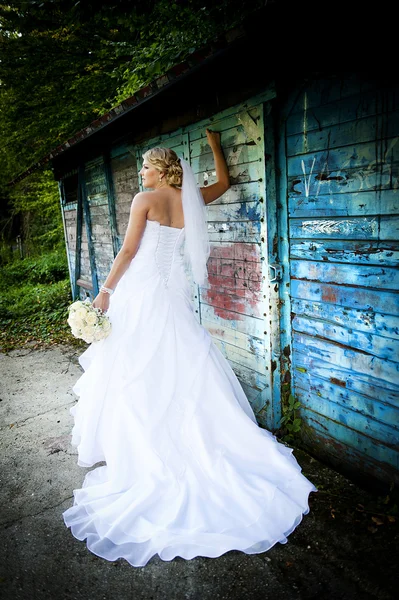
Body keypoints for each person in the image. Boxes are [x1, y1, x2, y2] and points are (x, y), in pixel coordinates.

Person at [62, 128, 317, 567]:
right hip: (172, 293)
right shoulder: (191, 199)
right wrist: (216, 145)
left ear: (162, 170)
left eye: (145, 165)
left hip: (142, 291)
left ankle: (144, 447)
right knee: (177, 361)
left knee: (135, 367)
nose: (140, 172)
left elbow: (126, 251)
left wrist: (104, 292)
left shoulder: (146, 200)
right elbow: (224, 184)